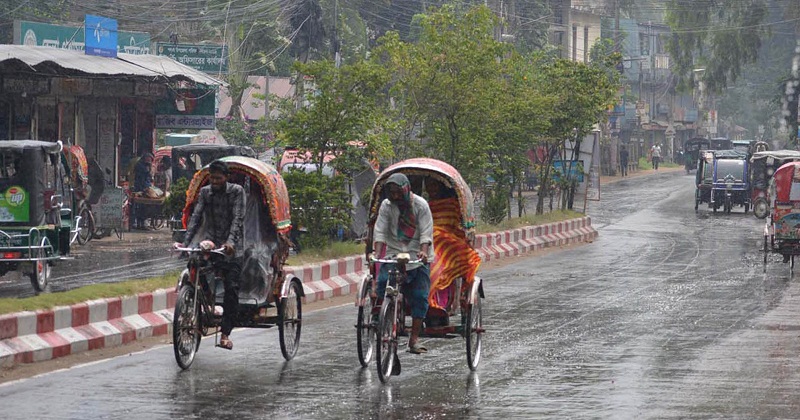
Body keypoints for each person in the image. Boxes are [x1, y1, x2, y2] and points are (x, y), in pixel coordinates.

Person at [174, 160, 246, 350]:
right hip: (212, 242)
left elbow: (237, 220)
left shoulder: (237, 192)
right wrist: (186, 242)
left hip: (233, 246)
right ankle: (202, 304)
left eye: (218, 178)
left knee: (231, 288)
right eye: (212, 178)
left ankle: (225, 334)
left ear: (226, 178)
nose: (214, 181)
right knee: (195, 265)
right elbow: (196, 217)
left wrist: (230, 243)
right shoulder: (206, 192)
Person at [373, 173, 434, 354]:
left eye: (398, 192)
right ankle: (384, 319)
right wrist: (376, 253)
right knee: (383, 285)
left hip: (417, 255)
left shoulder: (421, 206)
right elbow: (380, 230)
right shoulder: (386, 206)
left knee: (420, 297)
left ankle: (413, 340)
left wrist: (423, 251)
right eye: (391, 192)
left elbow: (426, 232)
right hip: (394, 253)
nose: (395, 196)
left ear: (406, 190)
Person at [425, 178, 481, 326]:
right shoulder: (424, 206)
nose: (431, 188)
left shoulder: (453, 205)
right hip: (425, 244)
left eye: (434, 184)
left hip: (447, 246)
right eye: (429, 185)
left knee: (437, 264)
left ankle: (439, 304)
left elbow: (459, 228)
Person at [132, 151, 154, 230]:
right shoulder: (140, 166)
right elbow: (145, 176)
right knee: (141, 206)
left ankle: (141, 223)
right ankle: (140, 223)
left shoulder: (144, 165)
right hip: (140, 188)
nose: (150, 161)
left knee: (143, 207)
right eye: (149, 159)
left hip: (145, 187)